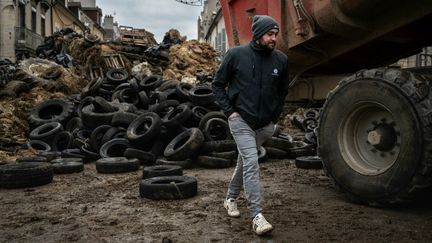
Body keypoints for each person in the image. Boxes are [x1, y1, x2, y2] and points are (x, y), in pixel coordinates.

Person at [212, 15, 289, 235]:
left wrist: (275, 115)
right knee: (252, 162)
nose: (274, 38)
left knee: (244, 162)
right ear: (258, 34)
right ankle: (257, 216)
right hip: (241, 121)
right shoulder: (236, 55)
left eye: (276, 34)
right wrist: (231, 112)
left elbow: (283, 91)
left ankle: (230, 198)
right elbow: (217, 85)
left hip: (265, 124)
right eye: (269, 34)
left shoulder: (281, 60)